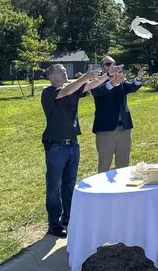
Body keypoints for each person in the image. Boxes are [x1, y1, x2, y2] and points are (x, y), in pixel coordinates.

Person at [41, 64, 110, 238]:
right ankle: (54, 224)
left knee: (69, 183)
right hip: (56, 146)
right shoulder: (48, 92)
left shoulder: (72, 89)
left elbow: (90, 85)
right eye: (59, 70)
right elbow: (67, 90)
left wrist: (108, 74)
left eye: (65, 70)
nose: (64, 71)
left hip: (73, 144)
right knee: (54, 186)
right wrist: (84, 77)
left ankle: (69, 217)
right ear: (51, 77)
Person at [91, 56, 146, 173]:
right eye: (108, 64)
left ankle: (121, 190)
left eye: (113, 64)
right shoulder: (96, 80)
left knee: (123, 164)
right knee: (104, 165)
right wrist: (113, 82)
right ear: (102, 67)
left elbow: (131, 87)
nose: (111, 66)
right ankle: (103, 190)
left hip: (124, 128)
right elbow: (98, 92)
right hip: (106, 129)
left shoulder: (120, 79)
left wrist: (138, 77)